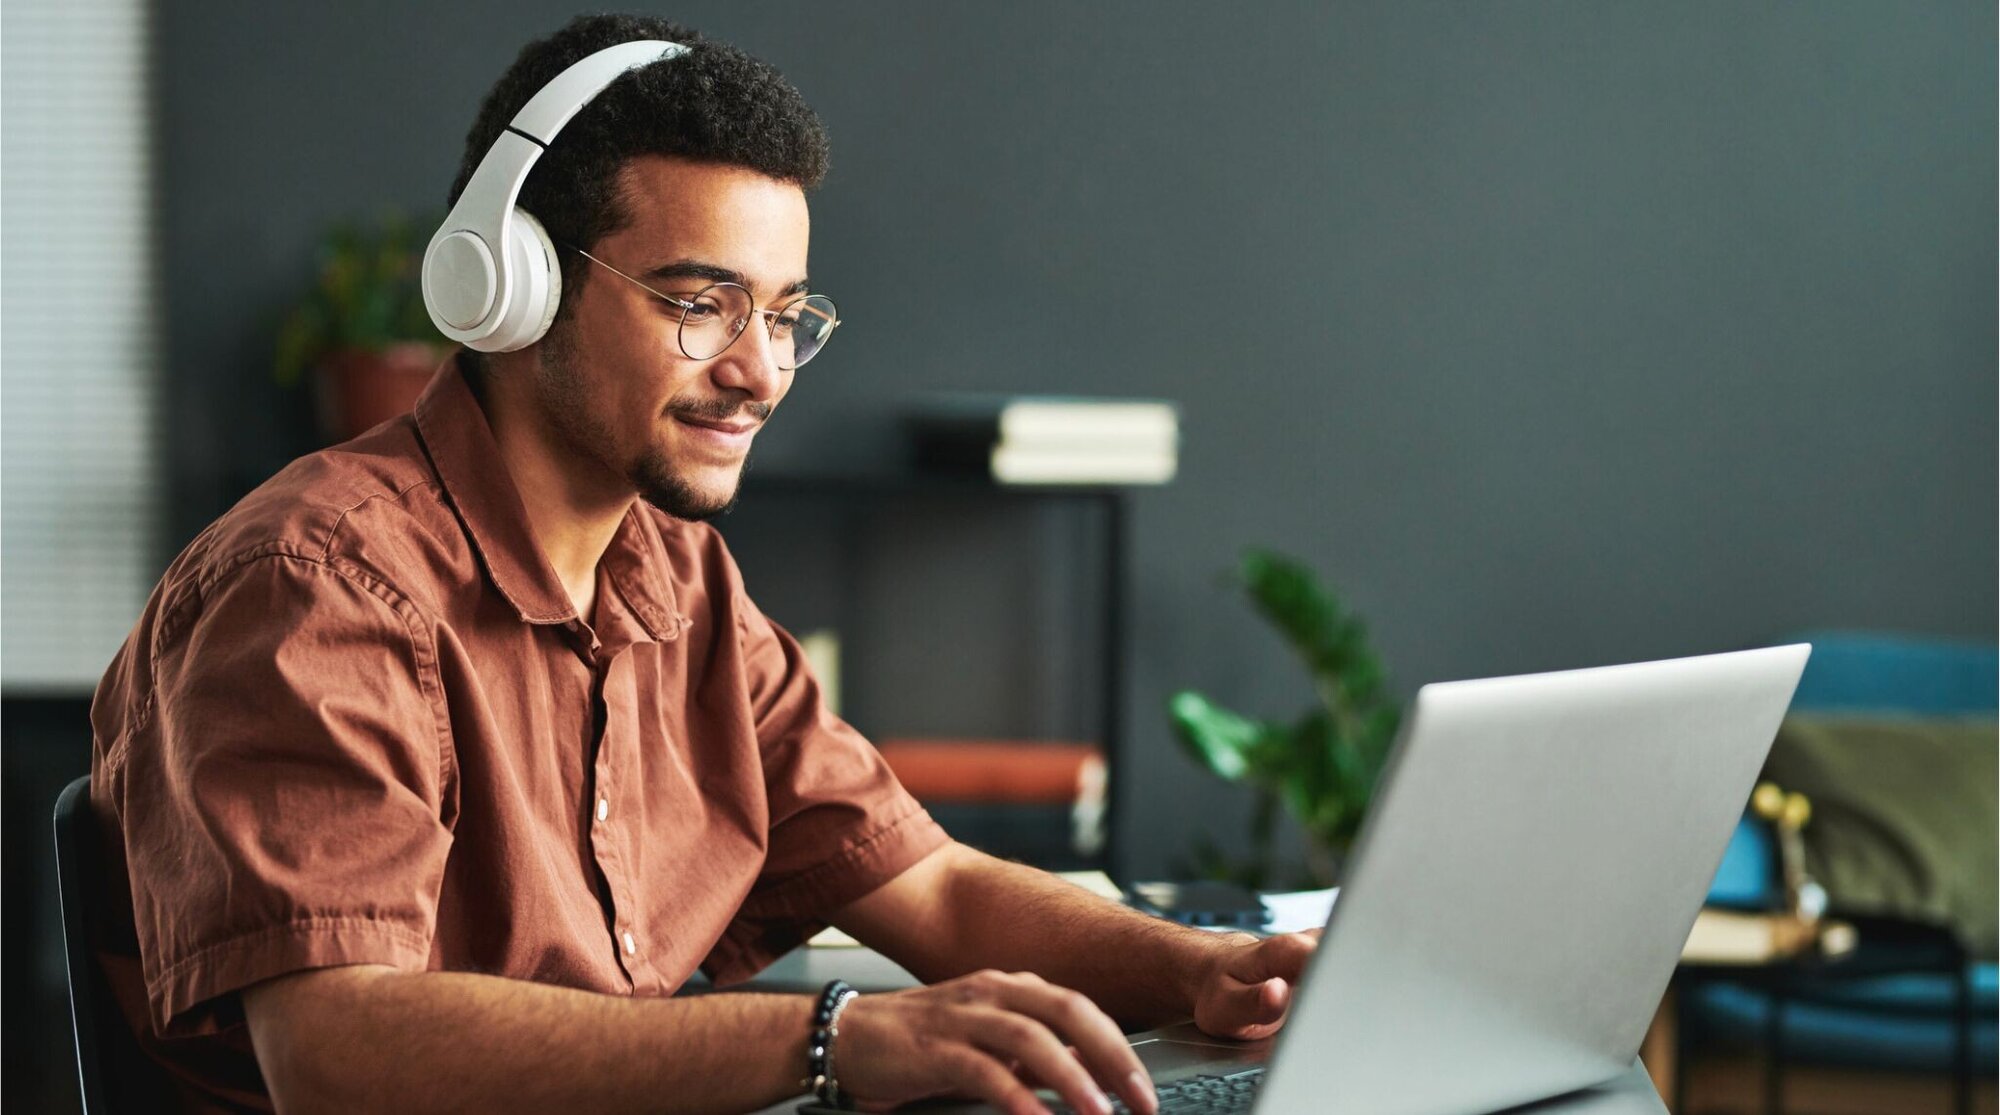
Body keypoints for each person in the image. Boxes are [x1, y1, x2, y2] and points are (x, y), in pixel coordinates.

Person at [89, 14, 1317, 1114]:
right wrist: (834, 1038)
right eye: (700, 302)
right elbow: (335, 1049)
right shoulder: (315, 583)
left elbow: (928, 888)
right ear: (512, 287)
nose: (760, 369)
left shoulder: (679, 580)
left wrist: (1207, 970)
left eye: (784, 314)